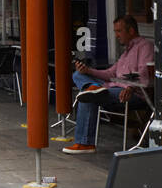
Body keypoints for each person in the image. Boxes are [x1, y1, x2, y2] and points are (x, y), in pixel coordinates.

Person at [63, 14, 155, 154]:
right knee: (78, 75)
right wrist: (88, 70)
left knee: (88, 96)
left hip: (133, 93)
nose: (116, 35)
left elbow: (144, 74)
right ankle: (94, 88)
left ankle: (85, 143)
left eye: (119, 31)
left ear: (131, 31)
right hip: (113, 87)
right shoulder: (126, 51)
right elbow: (110, 73)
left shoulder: (145, 46)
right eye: (115, 31)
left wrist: (130, 87)